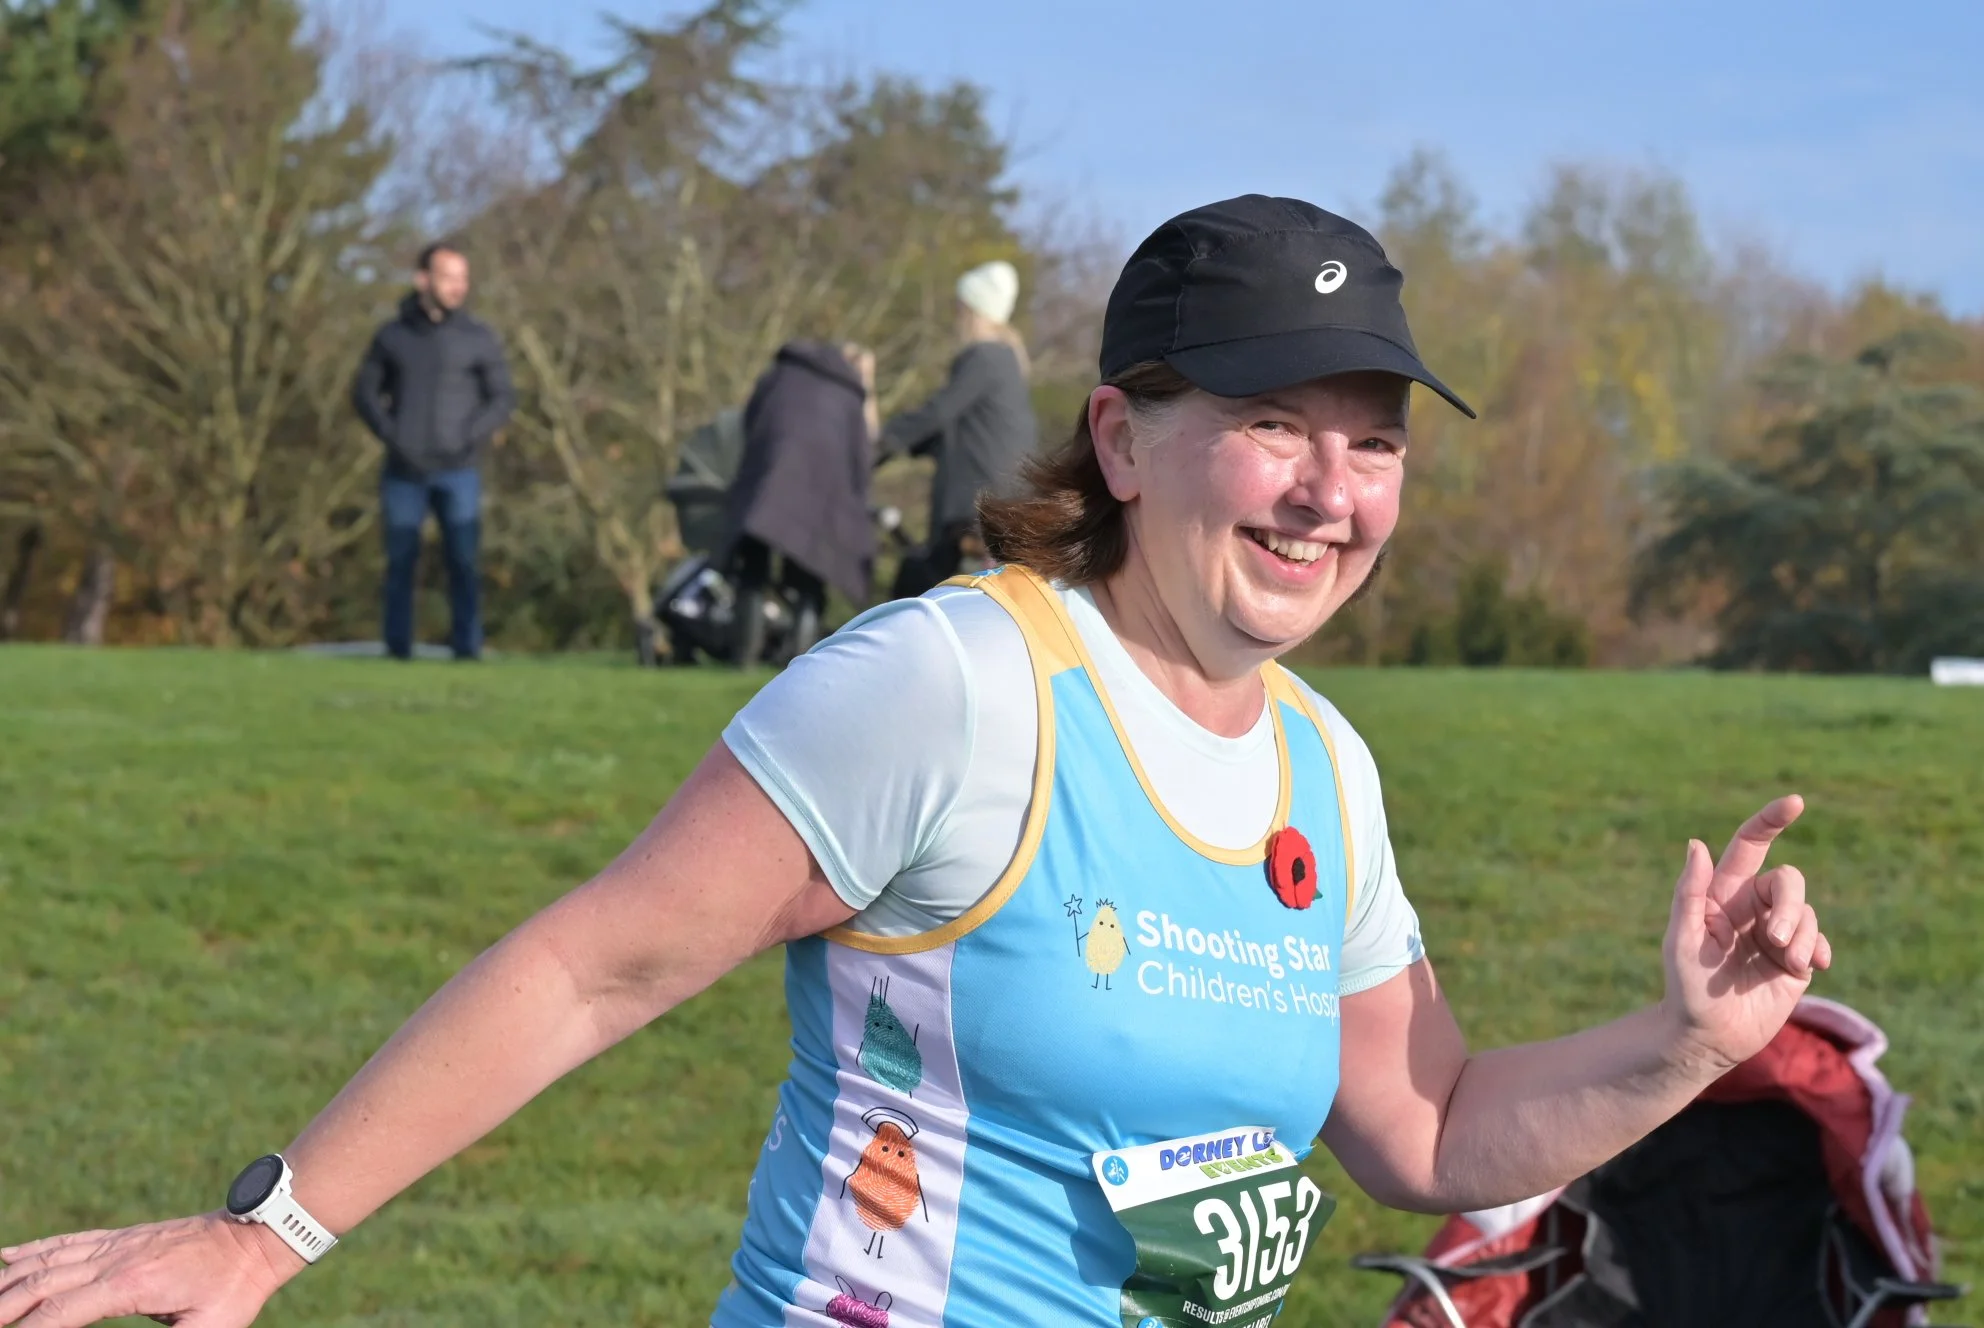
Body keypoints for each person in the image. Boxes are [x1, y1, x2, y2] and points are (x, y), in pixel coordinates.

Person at [0, 196, 1830, 1328]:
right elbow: (592, 967)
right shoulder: (959, 684)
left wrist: (1691, 1040)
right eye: (1273, 425)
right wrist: (262, 1235)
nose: (1327, 492)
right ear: (1123, 438)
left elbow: (1427, 1131)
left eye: (1370, 445)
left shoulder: (1325, 771)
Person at [350, 242, 516, 661]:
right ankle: (397, 648)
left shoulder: (478, 338)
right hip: (404, 470)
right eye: (448, 277)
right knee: (400, 561)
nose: (458, 286)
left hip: (459, 470)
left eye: (463, 278)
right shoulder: (392, 336)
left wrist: (470, 437)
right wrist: (393, 436)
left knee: (463, 561)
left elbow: (502, 397)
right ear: (423, 280)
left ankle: (467, 647)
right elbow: (365, 394)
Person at [880, 259, 1038, 598]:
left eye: (958, 307)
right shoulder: (1006, 361)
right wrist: (911, 444)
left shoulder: (985, 357)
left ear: (971, 310)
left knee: (919, 588)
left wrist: (879, 443)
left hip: (975, 506)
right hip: (1001, 499)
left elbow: (938, 413)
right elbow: (958, 430)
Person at [719, 339, 879, 669]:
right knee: (810, 574)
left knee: (752, 568)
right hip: (821, 489)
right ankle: (800, 657)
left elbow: (750, 421)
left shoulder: (781, 374)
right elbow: (863, 453)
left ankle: (744, 656)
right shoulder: (848, 392)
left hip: (768, 476)